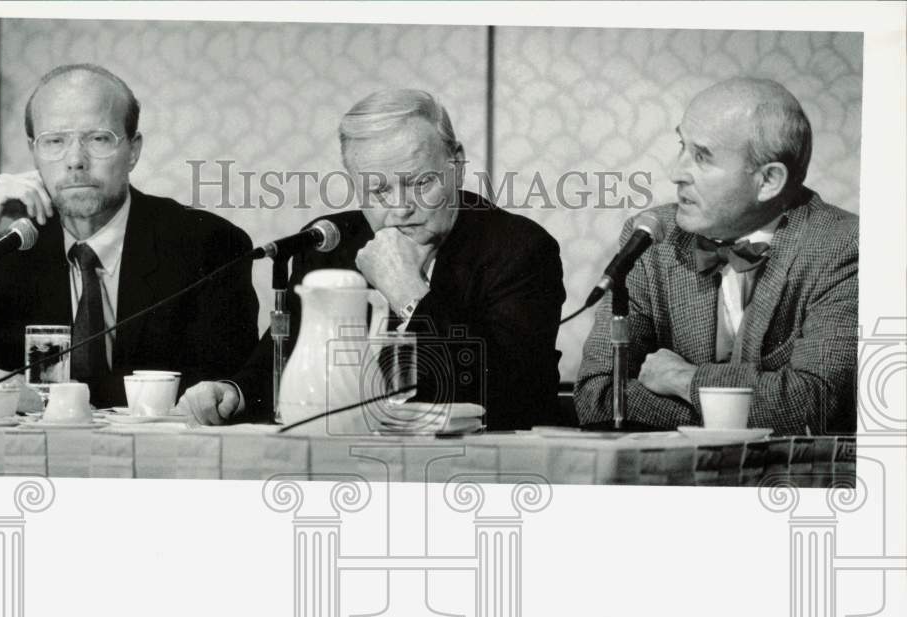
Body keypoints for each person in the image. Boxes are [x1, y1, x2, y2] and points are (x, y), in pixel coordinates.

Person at [179, 89, 566, 431]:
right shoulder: (331, 243)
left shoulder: (520, 250)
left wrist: (409, 293)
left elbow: (507, 394)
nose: (401, 207)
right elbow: (284, 360)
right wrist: (235, 392)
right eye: (378, 190)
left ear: (457, 164)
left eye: (421, 183)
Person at [0, 63, 259, 408]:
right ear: (34, 152)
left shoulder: (209, 245)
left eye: (98, 138)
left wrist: (48, 398)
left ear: (133, 151)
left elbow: (221, 390)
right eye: (54, 141)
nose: (75, 160)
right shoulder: (8, 254)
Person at [575, 78, 858, 435]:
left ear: (768, 180)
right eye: (682, 146)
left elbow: (813, 404)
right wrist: (751, 405)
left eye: (702, 157)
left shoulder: (843, 245)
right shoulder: (652, 236)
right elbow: (599, 397)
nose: (675, 173)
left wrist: (685, 380)